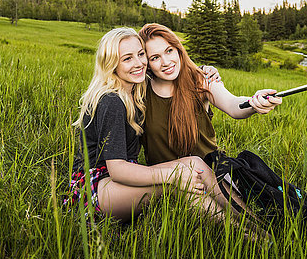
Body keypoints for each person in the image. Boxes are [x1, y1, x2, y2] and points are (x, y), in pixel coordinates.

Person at [67, 27, 238, 221]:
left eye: (141, 54)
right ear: (112, 64)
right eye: (127, 58)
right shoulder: (111, 100)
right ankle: (247, 236)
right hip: (96, 187)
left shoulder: (136, 91)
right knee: (177, 183)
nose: (139, 63)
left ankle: (253, 223)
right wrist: (172, 176)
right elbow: (117, 169)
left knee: (194, 164)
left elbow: (173, 74)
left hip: (120, 179)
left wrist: (206, 71)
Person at [138, 23, 282, 166]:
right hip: (163, 181)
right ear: (147, 63)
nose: (166, 62)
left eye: (169, 51)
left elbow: (233, 105)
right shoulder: (140, 92)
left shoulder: (200, 79)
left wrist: (254, 102)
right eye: (155, 58)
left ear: (178, 50)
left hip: (209, 173)